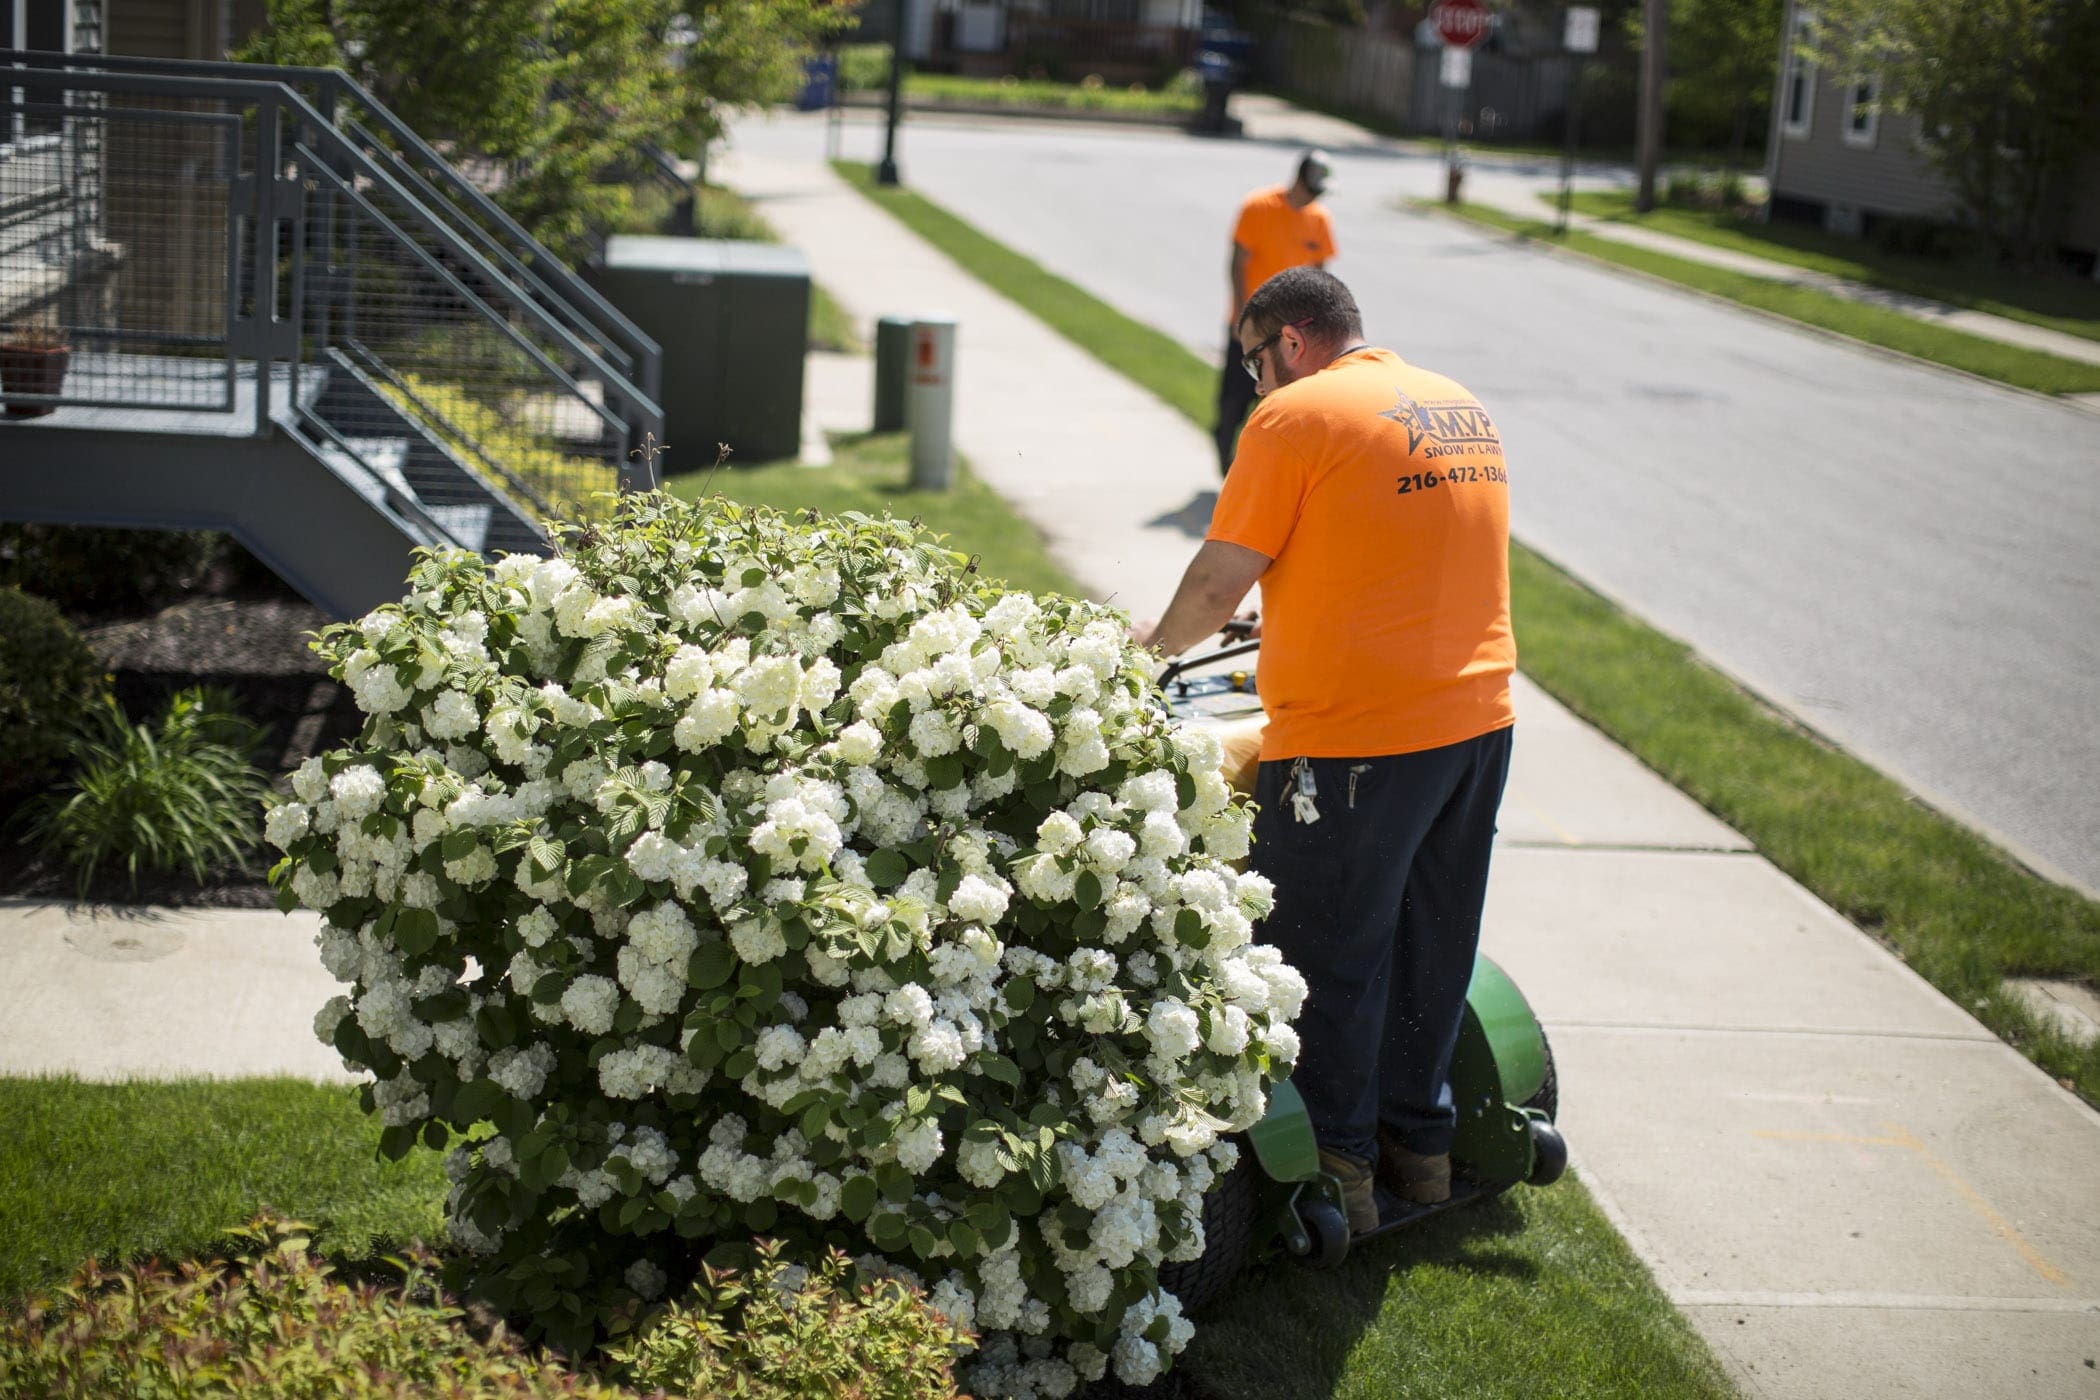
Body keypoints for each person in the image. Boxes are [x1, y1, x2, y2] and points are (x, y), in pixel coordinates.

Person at [1134, 267, 1515, 1236]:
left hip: (1357, 741)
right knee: (1433, 943)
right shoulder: (1451, 404)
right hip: (1474, 721)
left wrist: (1144, 655)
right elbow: (1400, 549)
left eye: (1254, 360)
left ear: (1292, 343)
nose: (1253, 382)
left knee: (1326, 952)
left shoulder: (1294, 417)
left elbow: (1218, 580)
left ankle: (1340, 1172)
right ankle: (1420, 1151)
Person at [1214, 150, 1337, 476]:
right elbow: (1238, 263)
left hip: (1289, 336)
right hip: (1250, 328)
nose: (1313, 197)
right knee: (1233, 402)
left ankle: (1252, 473)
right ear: (1299, 178)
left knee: (1274, 408)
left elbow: (1319, 278)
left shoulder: (1319, 219)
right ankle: (1224, 458)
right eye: (1311, 188)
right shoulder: (1258, 206)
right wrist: (1242, 318)